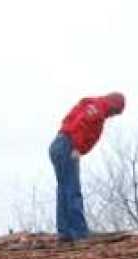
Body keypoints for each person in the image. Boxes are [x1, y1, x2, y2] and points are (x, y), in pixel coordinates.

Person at [50, 92, 126, 241]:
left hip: (59, 145)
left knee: (64, 189)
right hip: (68, 145)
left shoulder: (93, 106)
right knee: (72, 190)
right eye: (115, 111)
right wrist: (77, 146)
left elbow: (73, 121)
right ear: (113, 104)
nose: (113, 115)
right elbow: (81, 123)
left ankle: (65, 232)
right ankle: (79, 232)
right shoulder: (97, 108)